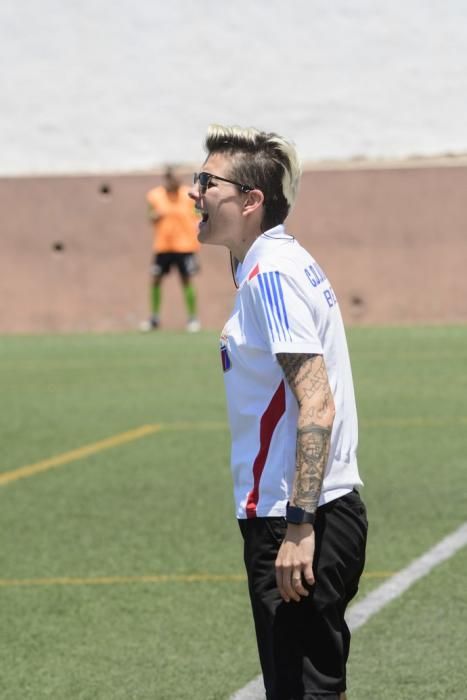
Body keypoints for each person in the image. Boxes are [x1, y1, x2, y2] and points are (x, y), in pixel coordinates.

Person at [189, 125, 368, 700]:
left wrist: (297, 525)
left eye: (206, 181)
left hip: (296, 519)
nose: (194, 193)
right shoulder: (272, 263)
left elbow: (316, 400)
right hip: (314, 510)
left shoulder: (272, 277)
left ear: (250, 200)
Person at [142, 166, 201, 332]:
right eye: (173, 178)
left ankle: (193, 319)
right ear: (167, 178)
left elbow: (198, 217)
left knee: (187, 280)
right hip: (163, 246)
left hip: (185, 246)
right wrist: (155, 215)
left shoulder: (188, 195)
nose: (177, 181)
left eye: (178, 178)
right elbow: (150, 216)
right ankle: (154, 319)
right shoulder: (155, 196)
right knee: (155, 279)